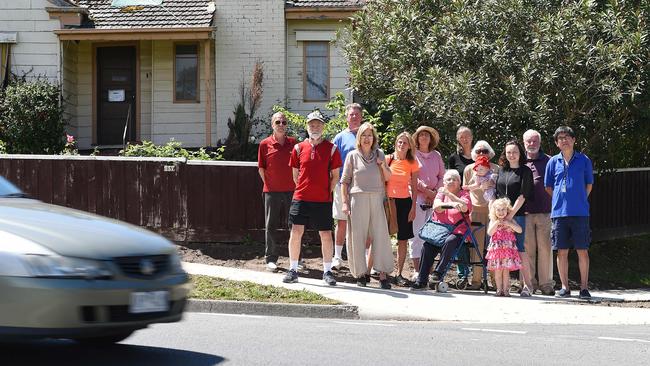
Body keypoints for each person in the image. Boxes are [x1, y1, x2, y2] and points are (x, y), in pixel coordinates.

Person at [283, 111, 342, 286]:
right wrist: (304, 189)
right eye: (311, 124)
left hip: (322, 200)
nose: (314, 127)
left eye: (317, 124)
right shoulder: (298, 148)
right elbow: (295, 175)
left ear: (323, 127)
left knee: (325, 234)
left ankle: (327, 272)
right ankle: (293, 269)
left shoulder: (332, 149)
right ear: (307, 127)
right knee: (296, 232)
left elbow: (335, 176)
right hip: (300, 198)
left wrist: (325, 193)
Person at [340, 122, 393, 289]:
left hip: (377, 197)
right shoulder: (352, 156)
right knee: (357, 237)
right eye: (363, 135)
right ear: (359, 138)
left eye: (370, 135)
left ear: (374, 138)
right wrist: (344, 203)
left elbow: (388, 177)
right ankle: (361, 274)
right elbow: (344, 181)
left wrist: (382, 164)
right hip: (357, 198)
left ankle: (383, 274)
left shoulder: (380, 154)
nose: (367, 138)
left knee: (381, 235)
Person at [544, 126, 594, 299]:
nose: (564, 140)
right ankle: (565, 287)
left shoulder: (584, 160)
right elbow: (548, 186)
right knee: (561, 251)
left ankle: (584, 288)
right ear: (557, 143)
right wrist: (561, 200)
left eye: (567, 137)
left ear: (574, 140)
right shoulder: (552, 162)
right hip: (559, 214)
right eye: (560, 138)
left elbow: (589, 185)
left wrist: (578, 199)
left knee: (582, 250)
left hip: (580, 213)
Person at [410, 170, 471, 290]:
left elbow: (464, 208)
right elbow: (437, 207)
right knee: (427, 246)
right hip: (439, 231)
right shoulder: (441, 192)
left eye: (455, 179)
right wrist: (453, 204)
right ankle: (421, 280)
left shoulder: (464, 194)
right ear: (444, 182)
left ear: (459, 182)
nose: (451, 181)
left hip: (457, 231)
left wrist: (450, 195)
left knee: (450, 241)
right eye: (449, 179)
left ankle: (437, 273)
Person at [494, 139, 534, 297]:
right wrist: (498, 217)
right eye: (509, 152)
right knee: (501, 250)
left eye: (515, 152)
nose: (511, 155)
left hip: (516, 216)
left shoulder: (525, 171)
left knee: (520, 249)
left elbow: (523, 196)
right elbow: (496, 195)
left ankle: (528, 286)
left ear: (520, 153)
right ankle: (502, 286)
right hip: (500, 218)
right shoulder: (501, 171)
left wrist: (509, 217)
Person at [257, 112, 296, 272]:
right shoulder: (264, 144)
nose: (281, 124)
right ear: (272, 124)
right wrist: (269, 184)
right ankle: (271, 258)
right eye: (278, 122)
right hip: (271, 191)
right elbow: (261, 168)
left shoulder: (294, 143)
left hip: (292, 191)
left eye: (284, 122)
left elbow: (299, 166)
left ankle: (295, 259)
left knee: (294, 225)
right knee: (270, 225)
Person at [409, 126, 445, 281]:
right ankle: (417, 270)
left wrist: (435, 192)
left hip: (434, 200)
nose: (424, 137)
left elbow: (442, 176)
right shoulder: (413, 155)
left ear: (431, 139)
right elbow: (412, 176)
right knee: (416, 235)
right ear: (417, 138)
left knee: (430, 236)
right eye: (421, 135)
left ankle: (428, 270)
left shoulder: (436, 155)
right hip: (417, 199)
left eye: (426, 135)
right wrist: (426, 190)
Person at [523, 129, 555, 296]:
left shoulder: (550, 161)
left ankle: (546, 284)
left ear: (540, 142)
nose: (532, 144)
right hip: (525, 213)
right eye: (529, 141)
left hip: (545, 212)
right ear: (524, 143)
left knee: (545, 248)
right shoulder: (520, 161)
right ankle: (529, 284)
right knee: (527, 249)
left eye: (535, 141)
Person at [463, 140, 499, 290]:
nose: (482, 153)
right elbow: (465, 191)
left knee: (494, 247)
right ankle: (476, 281)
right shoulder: (469, 169)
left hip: (493, 212)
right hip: (475, 211)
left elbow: (502, 187)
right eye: (478, 151)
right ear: (473, 154)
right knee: (476, 247)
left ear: (489, 153)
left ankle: (496, 281)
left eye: (485, 151)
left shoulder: (496, 168)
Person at [331, 103, 363, 269]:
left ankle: (361, 258)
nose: (355, 117)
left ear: (362, 117)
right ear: (346, 117)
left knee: (362, 223)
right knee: (342, 222)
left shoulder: (367, 136)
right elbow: (332, 162)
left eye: (357, 114)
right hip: (342, 185)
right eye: (351, 114)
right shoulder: (339, 137)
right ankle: (337, 256)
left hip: (362, 187)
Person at [386, 132, 420, 286]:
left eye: (405, 143)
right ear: (396, 143)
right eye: (400, 142)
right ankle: (382, 270)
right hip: (389, 202)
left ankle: (399, 273)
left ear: (409, 146)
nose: (401, 145)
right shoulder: (388, 159)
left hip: (405, 202)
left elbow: (414, 187)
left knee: (402, 239)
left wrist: (413, 208)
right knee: (383, 236)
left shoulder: (413, 162)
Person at [447, 126, 474, 281]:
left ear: (472, 137)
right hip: (460, 202)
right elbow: (451, 181)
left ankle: (477, 275)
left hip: (477, 202)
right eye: (461, 136)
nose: (464, 139)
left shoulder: (479, 156)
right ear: (458, 139)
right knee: (460, 235)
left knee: (477, 239)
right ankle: (462, 274)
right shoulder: (453, 158)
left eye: (467, 136)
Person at [486, 198, 523, 297]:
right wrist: (496, 223)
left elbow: (519, 230)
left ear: (507, 210)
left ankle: (506, 290)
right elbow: (489, 232)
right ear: (494, 211)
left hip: (507, 251)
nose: (501, 212)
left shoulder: (510, 220)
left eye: (503, 209)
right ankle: (499, 289)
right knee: (498, 271)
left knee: (506, 271)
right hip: (497, 251)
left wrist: (510, 224)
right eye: (498, 210)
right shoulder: (493, 221)